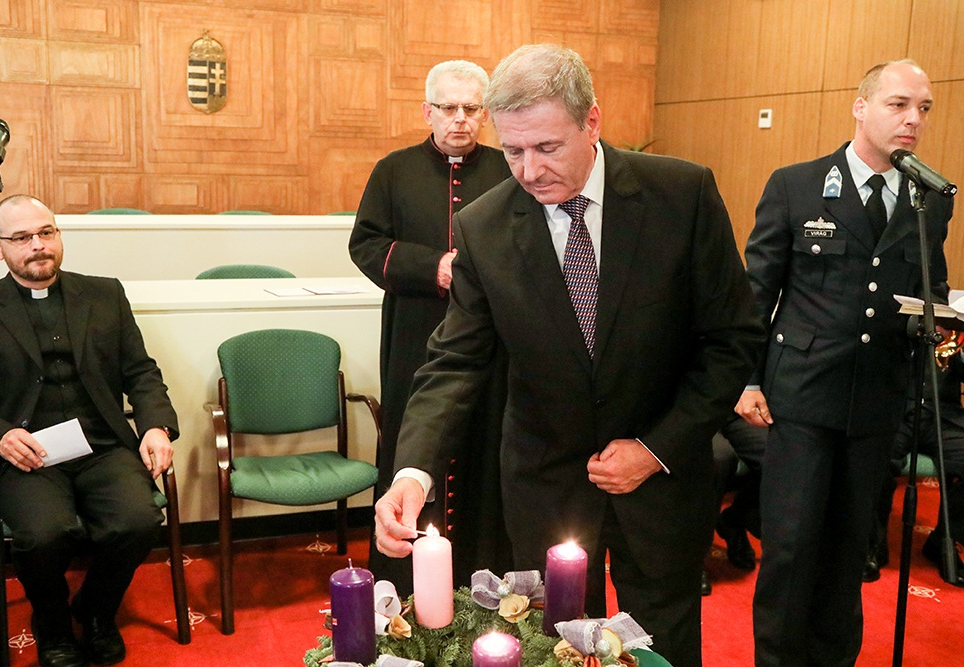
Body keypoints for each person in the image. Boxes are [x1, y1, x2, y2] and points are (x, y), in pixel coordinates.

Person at [373, 44, 763, 667]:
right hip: (545, 482)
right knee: (554, 644)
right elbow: (454, 362)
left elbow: (731, 339)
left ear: (592, 122)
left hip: (663, 477)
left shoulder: (680, 195)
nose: (528, 171)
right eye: (512, 151)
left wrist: (655, 448)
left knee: (663, 644)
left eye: (547, 147)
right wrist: (411, 474)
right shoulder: (483, 226)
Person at [741, 59, 953, 666]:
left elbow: (931, 286)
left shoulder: (928, 199)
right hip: (802, 396)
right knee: (790, 548)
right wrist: (746, 380)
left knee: (848, 550)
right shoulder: (797, 185)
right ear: (860, 107)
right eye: (898, 104)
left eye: (923, 109)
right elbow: (756, 293)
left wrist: (940, 320)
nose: (913, 120)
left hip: (877, 400)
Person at [0, 195, 178, 667]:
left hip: (102, 445)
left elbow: (141, 372)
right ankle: (54, 624)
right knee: (43, 534)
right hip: (29, 455)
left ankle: (96, 610)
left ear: (58, 235)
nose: (37, 245)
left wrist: (156, 427)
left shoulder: (105, 294)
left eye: (46, 232)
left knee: (138, 521)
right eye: (22, 237)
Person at [348, 60, 512, 590]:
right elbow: (365, 244)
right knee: (414, 446)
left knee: (486, 448)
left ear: (484, 114)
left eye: (470, 108)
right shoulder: (393, 170)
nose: (460, 118)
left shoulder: (509, 169)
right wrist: (433, 267)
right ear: (428, 111)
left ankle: (484, 583)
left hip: (491, 342)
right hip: (415, 337)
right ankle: (404, 583)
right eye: (448, 107)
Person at [865, 351, 964, 586]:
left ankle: (944, 540)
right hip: (895, 409)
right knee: (875, 457)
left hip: (943, 413)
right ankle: (873, 544)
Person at [705, 414, 765, 594]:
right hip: (693, 410)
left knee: (780, 453)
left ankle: (734, 520)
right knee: (718, 458)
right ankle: (692, 558)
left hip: (734, 410)